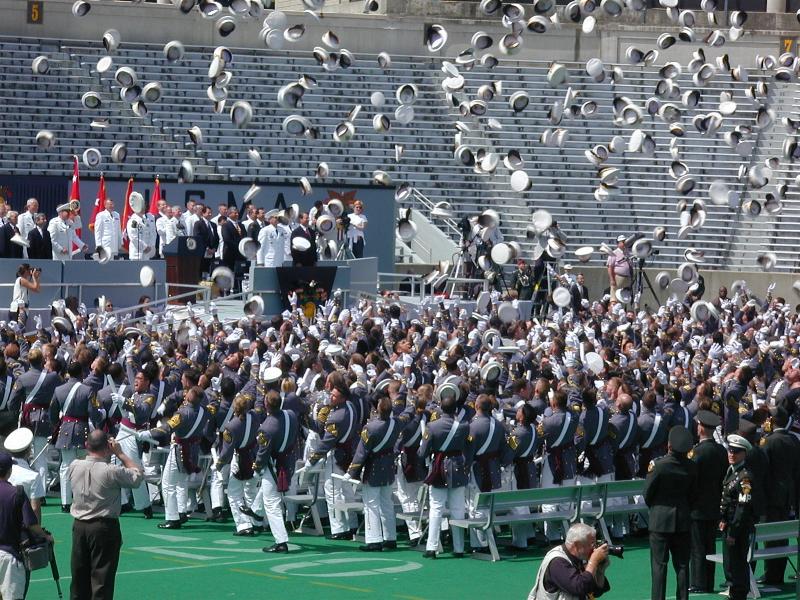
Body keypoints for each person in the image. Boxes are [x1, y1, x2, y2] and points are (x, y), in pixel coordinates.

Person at [68, 429, 144, 600]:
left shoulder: (74, 465)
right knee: (102, 580)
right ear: (107, 447)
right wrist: (121, 453)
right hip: (103, 526)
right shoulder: (111, 470)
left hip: (79, 525)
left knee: (79, 579)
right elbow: (137, 475)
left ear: (87, 445)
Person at [644, 425, 698, 600]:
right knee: (682, 566)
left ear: (669, 445)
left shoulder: (658, 466)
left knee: (659, 566)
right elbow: (693, 495)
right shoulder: (692, 467)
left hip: (660, 520)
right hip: (683, 520)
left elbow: (648, 494)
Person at [418, 393, 471, 558]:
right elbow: (466, 447)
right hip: (457, 466)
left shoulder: (432, 426)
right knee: (458, 508)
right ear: (455, 409)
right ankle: (459, 548)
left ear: (441, 408)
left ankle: (432, 547)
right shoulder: (464, 426)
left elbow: (423, 452)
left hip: (439, 467)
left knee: (436, 508)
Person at [0, 449, 51, 600]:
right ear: (9, 471)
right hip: (10, 555)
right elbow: (31, 524)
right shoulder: (17, 493)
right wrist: (46, 536)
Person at [254, 390, 299, 553]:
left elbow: (262, 454)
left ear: (266, 404)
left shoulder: (266, 428)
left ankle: (281, 541)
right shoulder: (291, 414)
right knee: (270, 499)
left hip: (274, 466)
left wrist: (257, 469)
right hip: (289, 461)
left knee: (272, 503)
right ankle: (256, 511)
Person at [688, 410, 728, 594]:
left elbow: (691, 479)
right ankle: (709, 581)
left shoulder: (697, 452)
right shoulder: (721, 451)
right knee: (710, 545)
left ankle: (698, 582)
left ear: (701, 428)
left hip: (697, 506)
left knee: (697, 546)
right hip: (715, 504)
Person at [527, 522, 611, 600]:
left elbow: (595, 592)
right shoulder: (557, 562)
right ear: (577, 545)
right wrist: (593, 561)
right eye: (591, 544)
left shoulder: (578, 557)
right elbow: (580, 588)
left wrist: (600, 570)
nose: (594, 548)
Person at [719, 434, 756, 600]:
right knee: (730, 566)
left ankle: (739, 595)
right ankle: (734, 593)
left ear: (744, 453)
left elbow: (743, 507)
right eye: (730, 450)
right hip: (729, 526)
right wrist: (723, 520)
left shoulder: (744, 477)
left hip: (738, 529)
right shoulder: (732, 471)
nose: (731, 454)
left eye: (736, 452)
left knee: (737, 566)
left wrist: (733, 531)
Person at [9, 263, 40, 328]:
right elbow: (35, 288)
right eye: (29, 269)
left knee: (17, 332)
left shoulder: (22, 280)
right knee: (18, 332)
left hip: (18, 309)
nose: (30, 271)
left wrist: (36, 278)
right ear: (25, 270)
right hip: (18, 310)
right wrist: (34, 276)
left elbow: (37, 290)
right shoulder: (21, 279)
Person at [606, 234, 631, 302]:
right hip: (618, 278)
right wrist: (612, 279)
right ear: (618, 243)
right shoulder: (614, 253)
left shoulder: (627, 253)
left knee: (625, 299)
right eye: (623, 242)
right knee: (615, 298)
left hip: (627, 278)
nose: (624, 243)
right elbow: (610, 267)